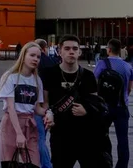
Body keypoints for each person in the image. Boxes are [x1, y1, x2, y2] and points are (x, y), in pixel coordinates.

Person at [42, 35, 112, 168]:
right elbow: (45, 102)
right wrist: (48, 113)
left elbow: (96, 104)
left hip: (86, 136)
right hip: (61, 136)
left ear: (79, 52)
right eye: (67, 48)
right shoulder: (50, 74)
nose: (71, 51)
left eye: (75, 48)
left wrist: (86, 109)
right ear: (59, 51)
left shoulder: (88, 76)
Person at [0, 42, 47, 168]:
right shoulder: (10, 77)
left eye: (38, 57)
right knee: (10, 163)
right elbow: (11, 107)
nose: (35, 59)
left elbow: (37, 108)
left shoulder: (37, 80)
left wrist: (49, 113)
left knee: (34, 163)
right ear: (23, 56)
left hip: (30, 124)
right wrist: (19, 134)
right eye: (32, 55)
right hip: (12, 123)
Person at [94, 39, 133, 168]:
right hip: (122, 107)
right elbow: (129, 89)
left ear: (109, 49)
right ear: (120, 50)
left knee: (101, 136)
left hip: (105, 106)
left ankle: (104, 162)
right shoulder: (128, 66)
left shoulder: (102, 63)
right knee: (123, 141)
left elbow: (96, 83)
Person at [34, 39, 57, 168]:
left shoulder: (33, 64)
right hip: (48, 106)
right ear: (45, 48)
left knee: (39, 139)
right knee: (42, 138)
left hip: (38, 105)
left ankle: (46, 165)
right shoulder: (51, 61)